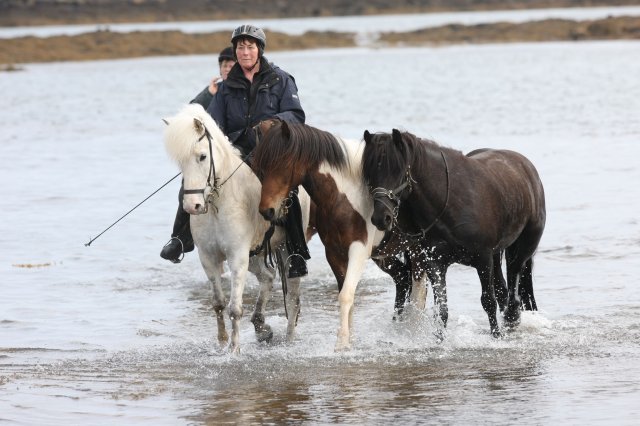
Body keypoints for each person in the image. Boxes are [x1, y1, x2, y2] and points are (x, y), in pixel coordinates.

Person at [161, 25, 310, 279]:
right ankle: (180, 238)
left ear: (259, 50)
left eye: (250, 46)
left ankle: (296, 252)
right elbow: (214, 122)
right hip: (235, 149)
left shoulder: (281, 79)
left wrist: (270, 123)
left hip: (269, 149)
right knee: (192, 176)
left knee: (289, 189)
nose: (244, 51)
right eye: (240, 47)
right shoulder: (228, 85)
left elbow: (296, 116)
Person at [160, 46, 235, 263]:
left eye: (232, 66)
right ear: (220, 69)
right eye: (224, 66)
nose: (228, 69)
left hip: (237, 149)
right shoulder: (213, 91)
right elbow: (188, 115)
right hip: (209, 153)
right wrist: (207, 94)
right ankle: (180, 240)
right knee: (187, 187)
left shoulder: (243, 88)